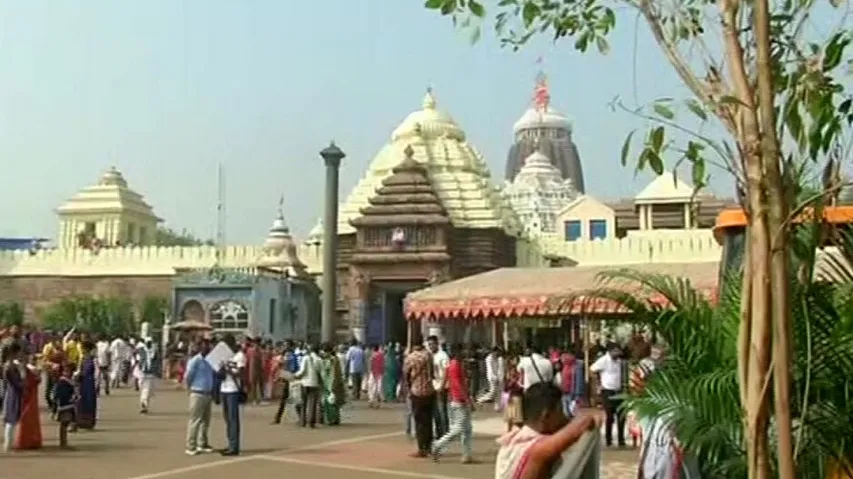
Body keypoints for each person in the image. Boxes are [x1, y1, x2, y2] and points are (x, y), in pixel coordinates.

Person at [495, 382, 598, 479]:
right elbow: (584, 422)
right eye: (560, 412)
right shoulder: (537, 449)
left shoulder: (514, 442)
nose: (564, 418)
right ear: (546, 415)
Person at [431, 344, 474, 464]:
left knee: (467, 429)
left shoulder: (457, 364)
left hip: (459, 399)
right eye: (462, 351)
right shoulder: (455, 365)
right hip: (459, 400)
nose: (465, 353)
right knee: (459, 428)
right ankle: (438, 444)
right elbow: (457, 384)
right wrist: (467, 399)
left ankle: (466, 454)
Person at [590, 343, 626, 447]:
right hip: (607, 391)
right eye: (615, 351)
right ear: (610, 351)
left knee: (621, 416)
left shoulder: (619, 361)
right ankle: (608, 440)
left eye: (618, 351)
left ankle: (621, 440)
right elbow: (592, 370)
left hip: (619, 391)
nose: (618, 353)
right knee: (610, 417)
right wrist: (598, 383)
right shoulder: (603, 360)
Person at [403, 341, 435, 458]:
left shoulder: (410, 357)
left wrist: (408, 388)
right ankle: (430, 447)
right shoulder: (429, 355)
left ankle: (422, 449)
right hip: (429, 391)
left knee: (419, 422)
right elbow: (432, 373)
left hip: (417, 392)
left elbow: (406, 374)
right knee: (428, 420)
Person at [184, 338, 216, 455]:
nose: (208, 348)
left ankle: (202, 443)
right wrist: (189, 389)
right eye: (206, 345)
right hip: (197, 392)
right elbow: (188, 376)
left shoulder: (210, 360)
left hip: (207, 393)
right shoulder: (195, 361)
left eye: (209, 345)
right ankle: (190, 445)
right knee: (195, 420)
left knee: (205, 421)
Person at [218, 335, 245, 456]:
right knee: (227, 418)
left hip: (233, 390)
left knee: (233, 419)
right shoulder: (225, 356)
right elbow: (221, 373)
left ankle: (234, 447)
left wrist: (228, 369)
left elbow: (241, 374)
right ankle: (230, 443)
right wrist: (220, 369)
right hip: (224, 388)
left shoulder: (240, 356)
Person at [15, 355, 42, 450]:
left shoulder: (30, 370)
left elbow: (37, 381)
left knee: (29, 419)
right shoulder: (26, 370)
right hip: (28, 397)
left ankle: (29, 441)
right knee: (27, 419)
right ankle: (27, 441)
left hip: (30, 397)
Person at [2, 343, 24, 452]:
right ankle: (7, 445)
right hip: (12, 392)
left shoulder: (10, 365)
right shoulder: (9, 366)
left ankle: (8, 444)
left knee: (11, 418)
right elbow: (14, 381)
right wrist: (22, 384)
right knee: (11, 418)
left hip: (11, 391)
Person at [294, 344, 322, 428]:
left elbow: (302, 371)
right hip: (314, 383)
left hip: (305, 383)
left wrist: (295, 375)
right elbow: (320, 372)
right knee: (312, 404)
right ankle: (311, 423)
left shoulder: (306, 358)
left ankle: (303, 421)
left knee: (303, 403)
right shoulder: (319, 359)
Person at [427, 336, 449, 438]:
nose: (431, 346)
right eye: (429, 344)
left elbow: (446, 371)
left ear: (437, 344)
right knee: (435, 411)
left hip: (441, 386)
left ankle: (445, 431)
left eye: (432, 344)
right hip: (432, 386)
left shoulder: (442, 355)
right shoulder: (430, 356)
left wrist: (442, 385)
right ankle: (439, 432)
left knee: (442, 410)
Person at [320, 343, 346, 426]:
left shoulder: (332, 360)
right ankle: (334, 419)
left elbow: (333, 373)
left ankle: (332, 419)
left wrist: (332, 385)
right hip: (330, 383)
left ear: (329, 351)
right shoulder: (332, 359)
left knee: (331, 402)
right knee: (332, 402)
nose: (323, 353)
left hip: (331, 383)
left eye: (325, 351)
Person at [53, 363, 77, 449]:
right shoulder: (63, 382)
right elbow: (60, 394)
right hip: (65, 405)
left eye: (69, 371)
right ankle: (63, 443)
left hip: (68, 405)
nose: (68, 373)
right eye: (66, 371)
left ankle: (64, 442)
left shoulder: (68, 381)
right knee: (64, 423)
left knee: (65, 423)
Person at [75, 341, 98, 430]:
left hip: (87, 382)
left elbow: (87, 371)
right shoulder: (84, 358)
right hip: (84, 382)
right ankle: (82, 421)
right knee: (82, 401)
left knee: (87, 401)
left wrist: (78, 375)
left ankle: (87, 422)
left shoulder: (89, 359)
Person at [41, 336, 65, 416]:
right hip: (50, 373)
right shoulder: (49, 350)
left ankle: (55, 411)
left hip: (59, 375)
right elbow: (44, 361)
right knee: (47, 394)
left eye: (59, 341)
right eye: (56, 341)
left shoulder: (62, 352)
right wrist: (52, 364)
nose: (58, 342)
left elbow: (65, 362)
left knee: (56, 393)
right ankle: (52, 407)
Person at [135, 339, 156, 414]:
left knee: (145, 389)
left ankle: (144, 404)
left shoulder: (151, 351)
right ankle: (144, 403)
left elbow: (137, 360)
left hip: (145, 373)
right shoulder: (147, 351)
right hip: (145, 373)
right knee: (146, 389)